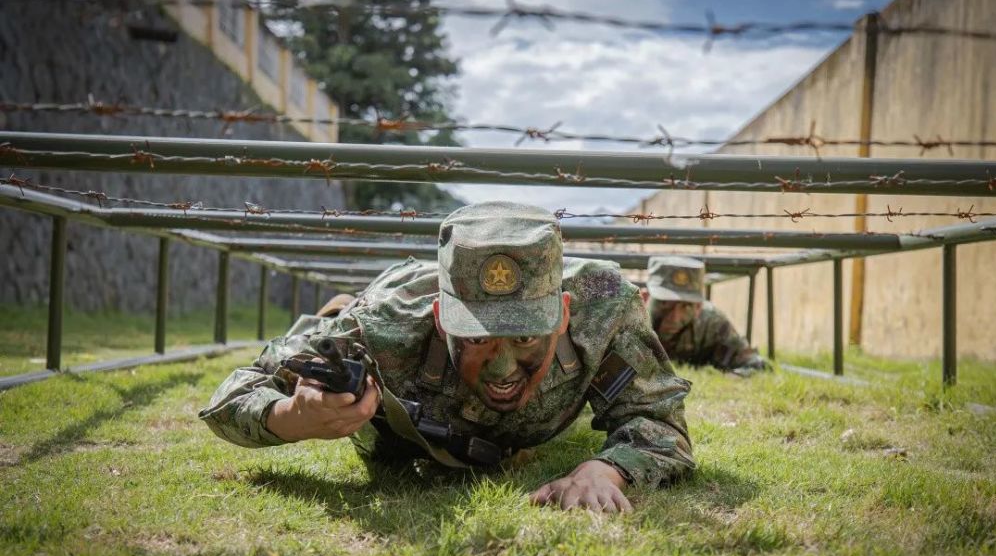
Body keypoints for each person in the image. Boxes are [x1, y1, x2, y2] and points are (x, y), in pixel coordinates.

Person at [199, 202, 695, 513]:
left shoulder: (602, 303)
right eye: (477, 339)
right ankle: (334, 308)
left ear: (563, 314)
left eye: (524, 339)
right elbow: (230, 396)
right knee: (336, 334)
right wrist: (293, 416)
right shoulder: (382, 325)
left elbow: (660, 423)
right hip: (405, 435)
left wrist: (605, 471)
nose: (502, 370)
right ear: (441, 318)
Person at [645, 255, 769, 375]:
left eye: (686, 306)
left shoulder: (712, 324)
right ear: (645, 297)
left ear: (698, 307)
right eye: (665, 303)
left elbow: (755, 365)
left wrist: (732, 378)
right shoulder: (629, 318)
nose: (674, 317)